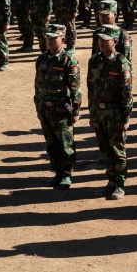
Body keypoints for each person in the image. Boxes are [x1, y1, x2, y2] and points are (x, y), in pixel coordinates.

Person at [87, 25, 133, 200]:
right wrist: (92, 114)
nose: (101, 43)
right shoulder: (94, 61)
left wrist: (126, 117)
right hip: (99, 112)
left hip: (115, 113)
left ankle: (119, 184)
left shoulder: (121, 63)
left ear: (115, 42)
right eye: (99, 40)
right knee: (105, 149)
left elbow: (127, 93)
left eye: (105, 40)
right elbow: (91, 89)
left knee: (118, 151)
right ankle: (110, 182)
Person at [33, 23, 81, 188]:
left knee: (65, 142)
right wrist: (38, 105)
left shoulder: (68, 60)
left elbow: (75, 89)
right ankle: (57, 172)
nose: (50, 41)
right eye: (48, 38)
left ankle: (67, 174)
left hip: (61, 109)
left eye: (54, 38)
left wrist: (74, 111)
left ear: (63, 39)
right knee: (51, 143)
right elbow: (37, 84)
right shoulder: (42, 59)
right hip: (45, 108)